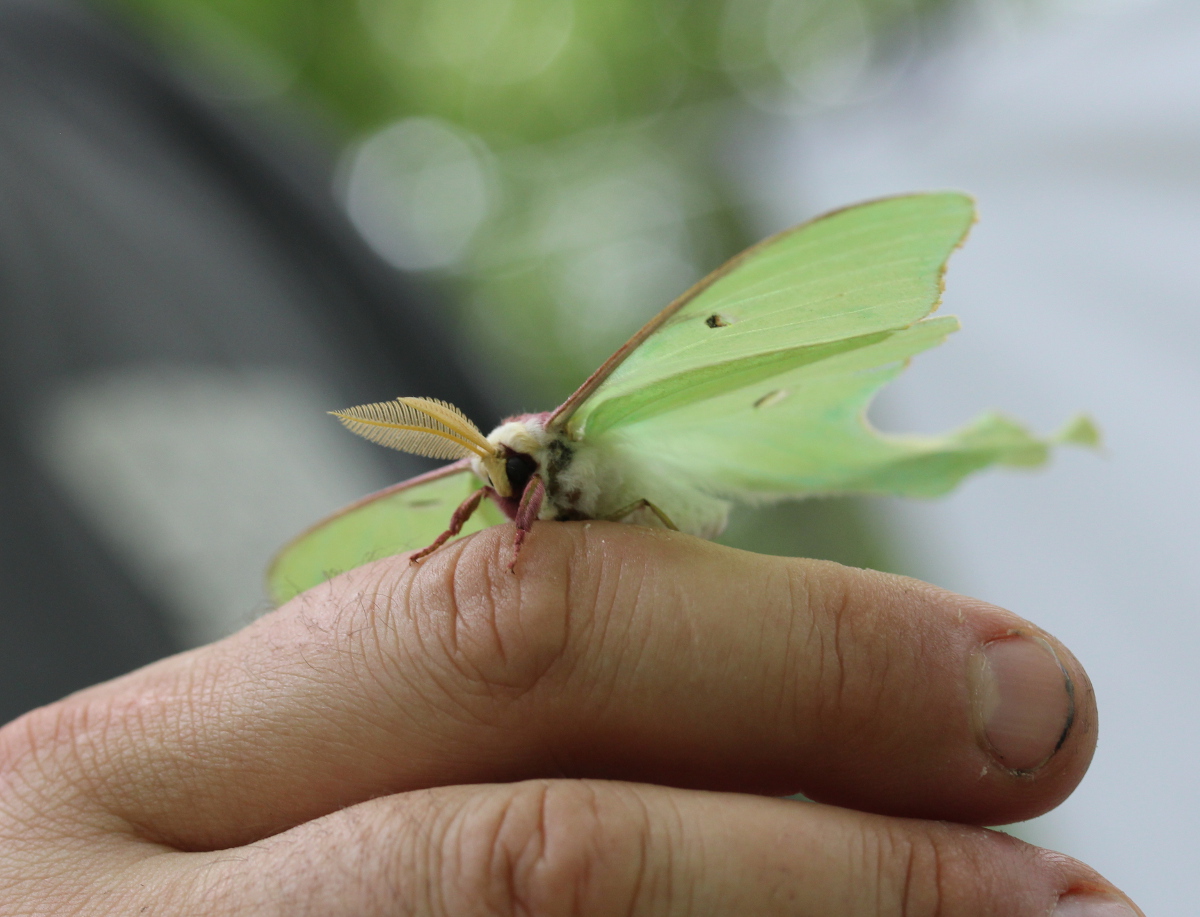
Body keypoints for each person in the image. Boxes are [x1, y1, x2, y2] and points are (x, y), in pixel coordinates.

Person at [0, 1, 1144, 913]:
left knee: (919, 465)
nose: (508, 501)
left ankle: (1019, 440)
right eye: (493, 491)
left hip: (669, 518)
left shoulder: (130, 107)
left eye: (512, 479)